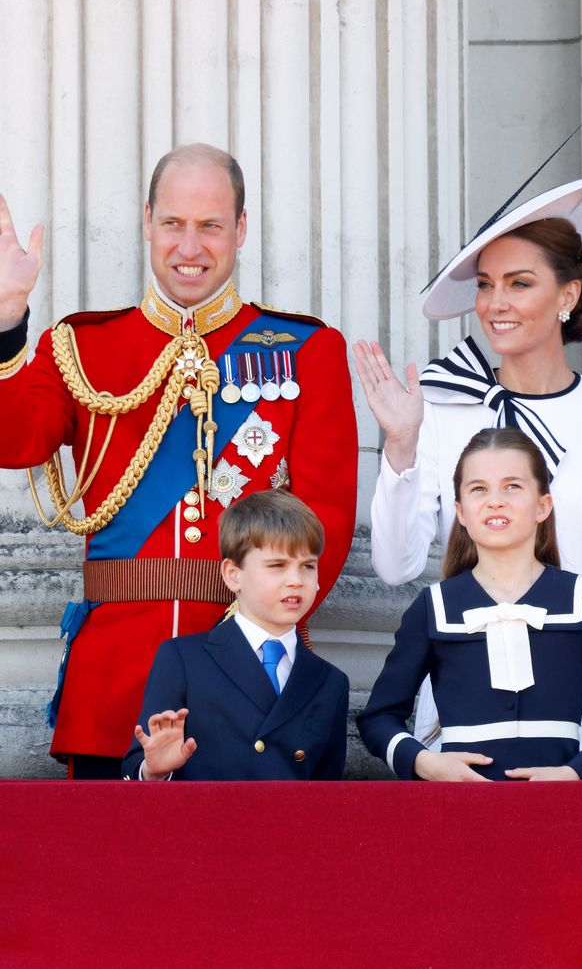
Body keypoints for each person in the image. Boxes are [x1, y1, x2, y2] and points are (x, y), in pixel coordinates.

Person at [0, 144, 357, 778]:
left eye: (210, 226)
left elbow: (323, 519)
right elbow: (13, 442)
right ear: (147, 221)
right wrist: (5, 323)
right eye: (173, 224)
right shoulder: (82, 346)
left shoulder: (307, 351)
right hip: (112, 685)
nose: (189, 246)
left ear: (240, 229)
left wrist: (252, 647)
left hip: (245, 685)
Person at [353, 173, 582, 749]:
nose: (495, 304)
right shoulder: (442, 406)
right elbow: (396, 566)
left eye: (519, 283)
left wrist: (555, 634)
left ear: (567, 296)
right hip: (457, 693)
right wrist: (399, 444)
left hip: (579, 696)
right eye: (485, 284)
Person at [358, 428, 582, 780]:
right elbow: (378, 717)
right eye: (478, 489)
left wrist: (577, 774)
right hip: (459, 814)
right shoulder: (434, 606)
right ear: (461, 512)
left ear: (542, 506)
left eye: (512, 486)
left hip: (561, 815)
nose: (495, 500)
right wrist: (426, 762)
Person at [121, 490, 349, 781]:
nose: (296, 581)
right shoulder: (184, 660)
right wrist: (153, 771)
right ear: (233, 574)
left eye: (308, 566)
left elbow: (328, 795)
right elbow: (134, 770)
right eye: (277, 566)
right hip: (201, 824)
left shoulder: (330, 681)